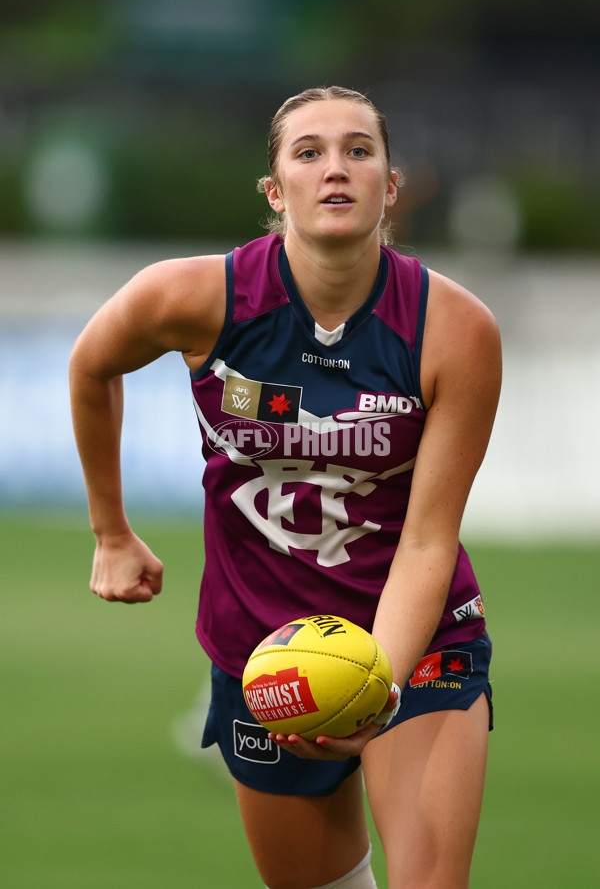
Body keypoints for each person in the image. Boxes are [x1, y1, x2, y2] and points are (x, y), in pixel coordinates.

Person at [70, 86, 502, 889]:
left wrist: (375, 687)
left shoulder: (455, 328)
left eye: (358, 151)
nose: (334, 169)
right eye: (309, 153)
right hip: (263, 657)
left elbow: (428, 538)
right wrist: (111, 531)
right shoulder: (194, 297)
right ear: (276, 191)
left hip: (420, 641)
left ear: (390, 185)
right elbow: (92, 366)